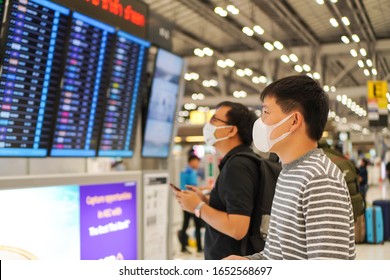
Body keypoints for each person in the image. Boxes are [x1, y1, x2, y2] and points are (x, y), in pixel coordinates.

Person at [226, 75, 356, 260]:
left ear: (294, 121)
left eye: (266, 113)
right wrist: (247, 263)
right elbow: (278, 255)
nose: (260, 121)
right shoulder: (289, 172)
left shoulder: (320, 180)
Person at [174, 101, 260, 260]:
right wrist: (206, 201)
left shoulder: (238, 165)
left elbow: (237, 228)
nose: (208, 125)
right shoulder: (238, 162)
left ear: (232, 130)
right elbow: (235, 210)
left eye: (214, 120)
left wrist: (197, 207)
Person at [178, 154, 203, 254]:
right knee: (197, 224)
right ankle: (199, 248)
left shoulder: (184, 171)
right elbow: (194, 188)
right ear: (192, 161)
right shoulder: (191, 172)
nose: (198, 164)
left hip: (185, 202)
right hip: (193, 204)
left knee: (185, 224)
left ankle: (183, 247)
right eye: (197, 161)